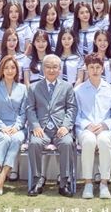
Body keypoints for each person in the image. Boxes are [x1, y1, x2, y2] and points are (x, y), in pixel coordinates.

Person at [26, 54, 77, 197]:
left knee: (67, 143)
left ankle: (64, 182)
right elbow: (30, 109)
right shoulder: (34, 87)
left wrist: (66, 126)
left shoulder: (67, 87)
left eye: (55, 67)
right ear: (43, 69)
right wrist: (35, 126)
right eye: (48, 67)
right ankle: (37, 181)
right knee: (34, 143)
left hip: (60, 129)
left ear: (60, 69)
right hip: (41, 130)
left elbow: (72, 108)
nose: (51, 70)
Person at [74, 53, 111, 200]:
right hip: (85, 129)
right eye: (91, 67)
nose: (95, 70)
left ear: (102, 69)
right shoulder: (78, 90)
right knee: (89, 141)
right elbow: (75, 115)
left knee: (104, 141)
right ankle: (88, 183)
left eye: (98, 67)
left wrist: (105, 125)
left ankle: (104, 183)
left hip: (105, 128)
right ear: (87, 69)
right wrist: (87, 125)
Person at [0, 55, 27, 196]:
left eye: (13, 68)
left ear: (17, 70)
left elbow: (24, 112)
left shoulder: (23, 88)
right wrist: (2, 127)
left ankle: (2, 176)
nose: (10, 71)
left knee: (15, 139)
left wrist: (16, 127)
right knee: (4, 138)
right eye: (6, 68)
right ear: (2, 70)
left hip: (17, 128)